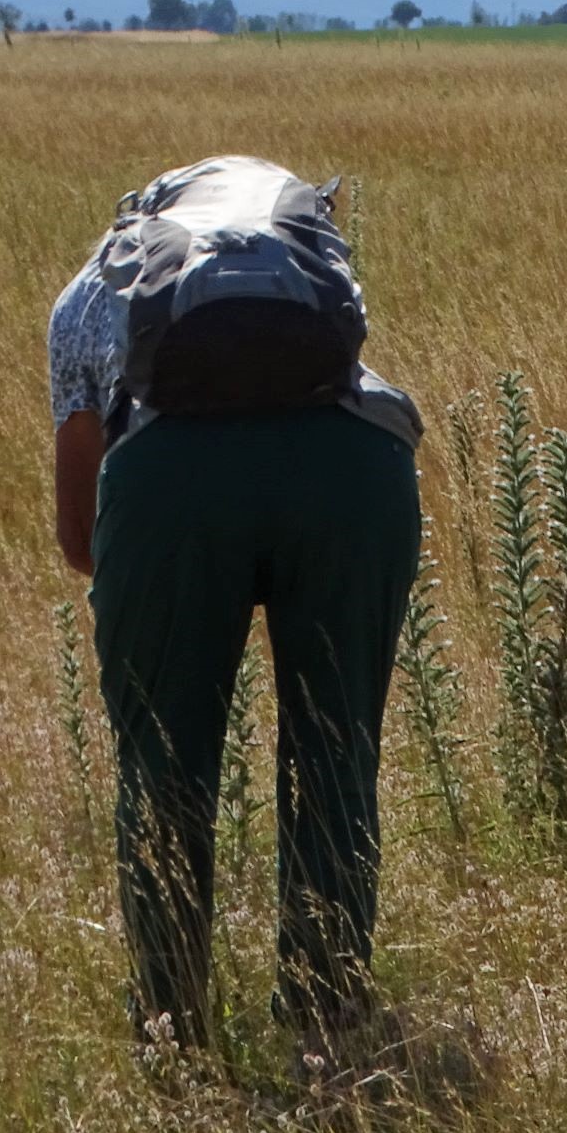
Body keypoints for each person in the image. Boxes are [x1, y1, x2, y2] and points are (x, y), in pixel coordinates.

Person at [49, 155, 423, 1077]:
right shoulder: (311, 265)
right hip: (355, 474)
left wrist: (178, 581)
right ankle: (328, 1021)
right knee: (335, 755)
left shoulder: (91, 293)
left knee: (164, 774)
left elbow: (78, 535)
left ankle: (175, 1041)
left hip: (168, 488)